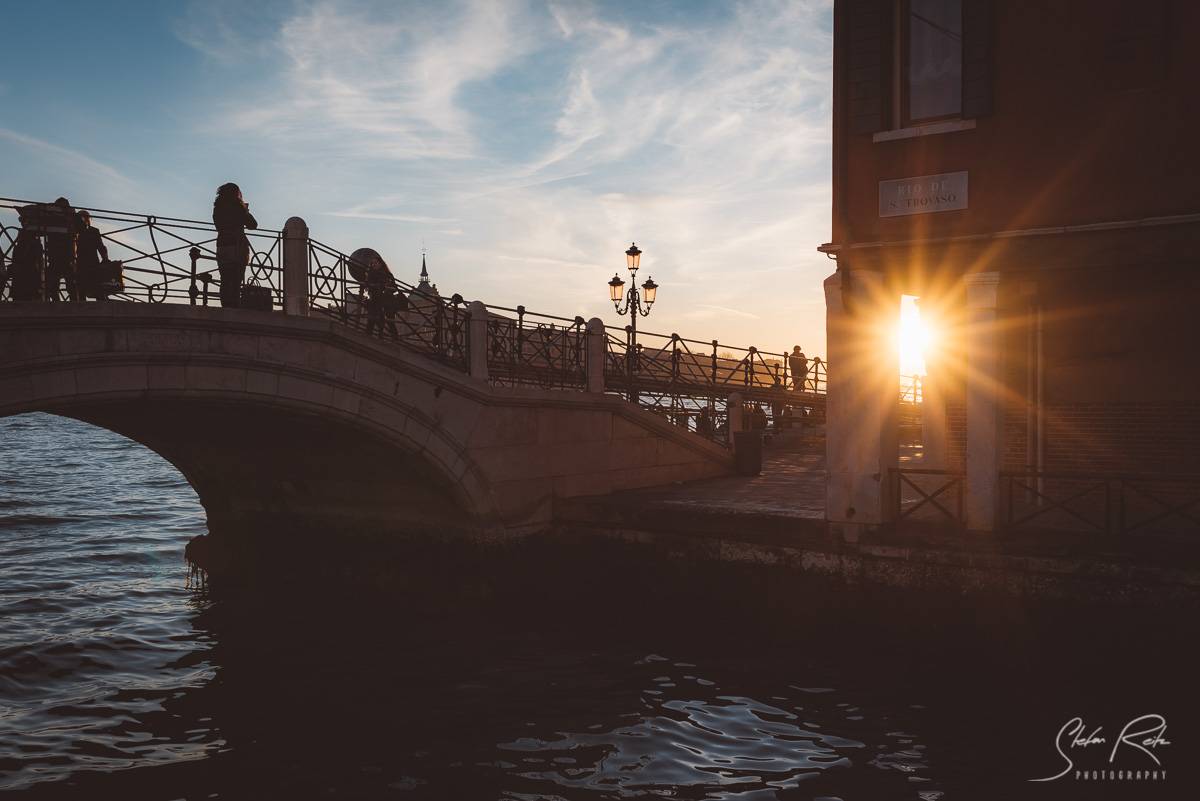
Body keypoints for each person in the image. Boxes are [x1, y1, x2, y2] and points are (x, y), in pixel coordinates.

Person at [212, 183, 258, 308]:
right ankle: (234, 307)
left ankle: (225, 307)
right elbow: (253, 225)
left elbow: (218, 225)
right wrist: (245, 210)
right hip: (237, 246)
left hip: (222, 245)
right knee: (236, 279)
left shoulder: (217, 208)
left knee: (225, 279)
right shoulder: (237, 207)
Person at [44, 197, 78, 302]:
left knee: (57, 284)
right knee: (68, 284)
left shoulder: (52, 218)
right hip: (64, 257)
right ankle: (73, 304)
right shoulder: (67, 218)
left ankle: (59, 303)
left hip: (59, 257)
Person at [75, 210, 109, 300]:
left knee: (84, 287)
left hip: (83, 262)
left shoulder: (77, 231)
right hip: (90, 262)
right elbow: (101, 247)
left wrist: (105, 258)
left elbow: (101, 246)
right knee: (94, 286)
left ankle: (83, 305)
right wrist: (105, 258)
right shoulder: (93, 231)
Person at [9, 229, 44, 302]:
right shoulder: (36, 246)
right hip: (31, 277)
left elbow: (15, 259)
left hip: (20, 280)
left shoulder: (19, 247)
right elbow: (39, 260)